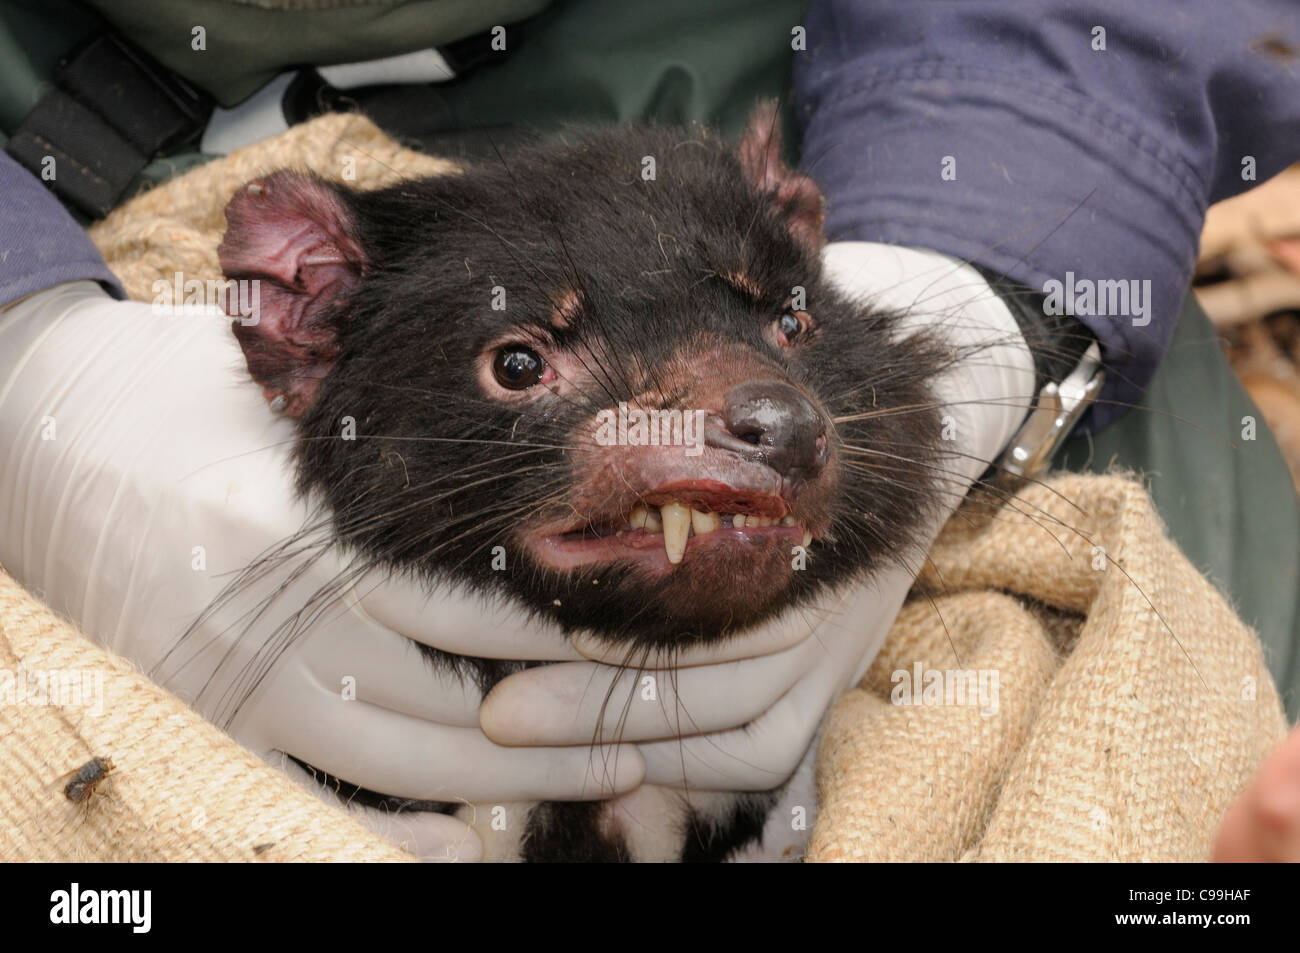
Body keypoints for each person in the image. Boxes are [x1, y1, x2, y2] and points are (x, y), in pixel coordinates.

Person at [0, 0, 1297, 860]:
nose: (748, 419)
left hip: (881, 114)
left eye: (773, 344)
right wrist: (26, 352)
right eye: (526, 365)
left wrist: (998, 261)